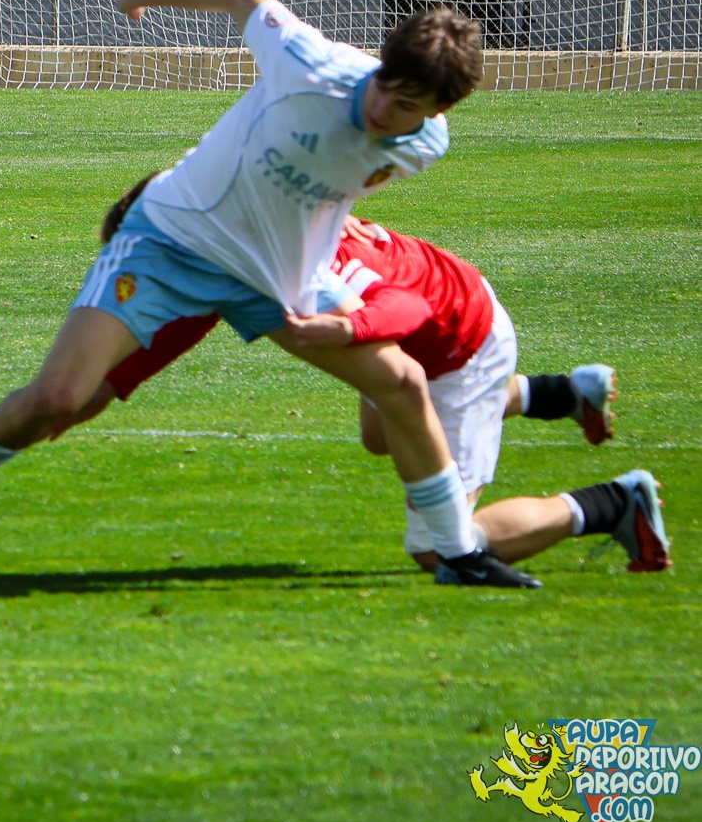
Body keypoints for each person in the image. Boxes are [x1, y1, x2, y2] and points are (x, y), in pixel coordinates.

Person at [0, 0, 540, 586]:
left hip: (272, 278)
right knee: (61, 399)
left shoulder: (425, 145)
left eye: (407, 106)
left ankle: (459, 553)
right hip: (171, 241)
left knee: (401, 381)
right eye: (384, 88)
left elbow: (331, 180)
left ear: (438, 110)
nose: (384, 109)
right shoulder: (311, 65)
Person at [60, 177, 671, 576]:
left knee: (438, 547)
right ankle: (566, 393)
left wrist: (348, 328)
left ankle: (618, 502)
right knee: (381, 435)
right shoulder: (237, 244)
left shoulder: (300, 261)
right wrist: (60, 403)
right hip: (430, 330)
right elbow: (154, 348)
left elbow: (407, 308)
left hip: (463, 342)